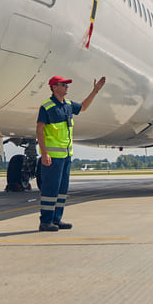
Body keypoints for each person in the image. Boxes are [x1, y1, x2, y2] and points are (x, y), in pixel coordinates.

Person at [36, 74, 106, 231]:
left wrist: (95, 91)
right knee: (50, 190)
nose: (67, 87)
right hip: (53, 156)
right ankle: (45, 221)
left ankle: (57, 219)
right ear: (54, 87)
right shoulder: (47, 107)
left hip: (66, 155)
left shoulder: (67, 105)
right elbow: (39, 130)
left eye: (67, 84)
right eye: (63, 84)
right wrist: (45, 153)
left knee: (62, 190)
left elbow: (84, 107)